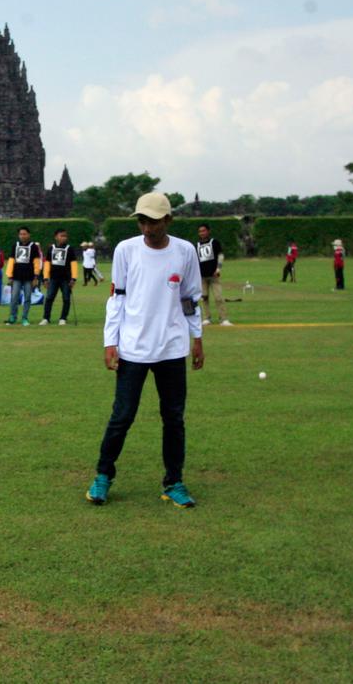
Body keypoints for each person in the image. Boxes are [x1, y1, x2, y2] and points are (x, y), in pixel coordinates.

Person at [87, 192, 204, 509]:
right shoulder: (126, 250)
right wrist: (110, 341)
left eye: (153, 221)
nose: (147, 228)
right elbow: (118, 298)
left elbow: (190, 297)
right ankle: (102, 476)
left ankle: (174, 482)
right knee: (122, 416)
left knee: (174, 418)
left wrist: (197, 338)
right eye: (142, 221)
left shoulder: (184, 251)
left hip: (171, 347)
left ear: (167, 220)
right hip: (133, 347)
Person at [41, 228, 79, 326]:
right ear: (56, 237)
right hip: (53, 278)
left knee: (66, 298)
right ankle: (46, 318)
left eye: (65, 236)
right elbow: (47, 264)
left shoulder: (69, 249)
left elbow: (73, 264)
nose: (64, 238)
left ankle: (63, 318)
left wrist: (73, 278)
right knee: (49, 298)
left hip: (66, 279)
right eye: (61, 236)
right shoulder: (51, 248)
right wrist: (45, 278)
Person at [5, 226, 42, 326]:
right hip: (16, 276)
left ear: (29, 235)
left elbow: (36, 262)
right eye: (21, 234)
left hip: (29, 277)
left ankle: (25, 318)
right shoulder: (15, 245)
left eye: (24, 234)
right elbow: (11, 261)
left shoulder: (34, 246)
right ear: (18, 235)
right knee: (14, 297)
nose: (22, 236)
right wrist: (9, 276)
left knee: (27, 298)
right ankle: (13, 316)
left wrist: (36, 277)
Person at [196, 223, 231, 326]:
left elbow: (220, 255)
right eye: (200, 231)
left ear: (208, 231)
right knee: (204, 297)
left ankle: (224, 319)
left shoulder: (214, 242)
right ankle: (206, 318)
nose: (202, 233)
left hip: (213, 275)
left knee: (218, 297)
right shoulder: (197, 245)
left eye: (204, 231)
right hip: (202, 276)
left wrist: (218, 268)